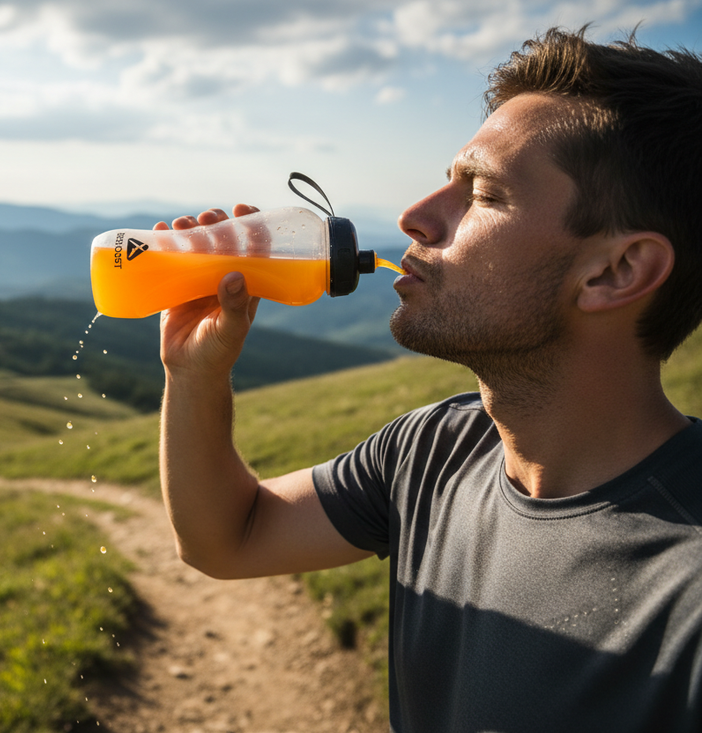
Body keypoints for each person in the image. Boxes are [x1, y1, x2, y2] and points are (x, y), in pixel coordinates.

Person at [155, 27, 702, 732]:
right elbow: (226, 536)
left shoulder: (684, 588)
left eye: (482, 192)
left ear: (615, 271)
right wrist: (196, 373)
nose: (415, 217)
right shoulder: (435, 451)